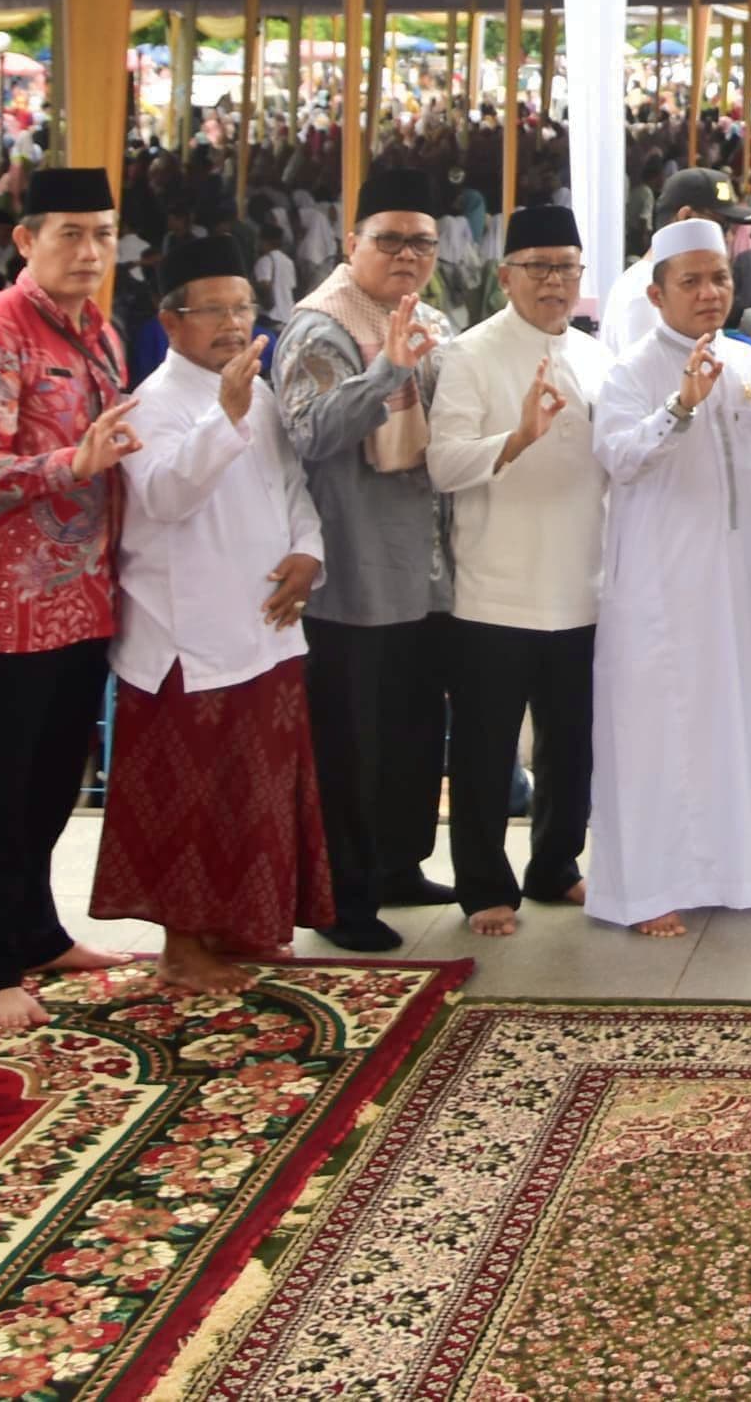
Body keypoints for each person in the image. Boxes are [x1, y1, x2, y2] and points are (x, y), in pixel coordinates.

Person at [0, 164, 137, 1027]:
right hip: (8, 602)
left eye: (102, 233)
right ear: (26, 239)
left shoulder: (98, 332)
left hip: (85, 592)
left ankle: (35, 929)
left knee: (55, 774)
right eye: (70, 234)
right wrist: (71, 464)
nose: (89, 251)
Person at [93, 234, 329, 993]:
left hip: (264, 623)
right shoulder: (150, 403)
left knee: (252, 791)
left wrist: (307, 551)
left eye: (243, 307)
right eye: (214, 310)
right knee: (187, 803)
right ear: (171, 321)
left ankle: (240, 925)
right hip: (183, 643)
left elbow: (290, 485)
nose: (233, 323)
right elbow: (164, 495)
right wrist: (220, 417)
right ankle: (182, 948)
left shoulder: (255, 391)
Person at [587, 219, 751, 932]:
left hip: (731, 586)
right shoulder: (631, 370)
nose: (710, 294)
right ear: (658, 291)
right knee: (656, 731)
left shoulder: (749, 363)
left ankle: (726, 873)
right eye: (692, 282)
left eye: (720, 279)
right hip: (658, 586)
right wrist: (679, 407)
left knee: (728, 724)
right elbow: (619, 456)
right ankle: (642, 890)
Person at [275, 167, 456, 952]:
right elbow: (309, 429)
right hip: (350, 575)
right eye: (390, 239)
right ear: (353, 244)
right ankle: (341, 898)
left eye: (422, 241)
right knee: (347, 746)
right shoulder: (322, 327)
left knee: (414, 730)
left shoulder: (431, 319)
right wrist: (385, 368)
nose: (407, 254)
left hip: (425, 569)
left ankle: (398, 865)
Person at [424, 205, 602, 936]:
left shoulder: (598, 356)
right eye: (539, 267)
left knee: (571, 747)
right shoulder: (470, 353)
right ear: (506, 276)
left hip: (579, 586)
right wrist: (518, 436)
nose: (554, 281)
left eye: (566, 266)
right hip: (494, 590)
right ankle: (483, 885)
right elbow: (441, 463)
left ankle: (555, 863)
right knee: (485, 750)